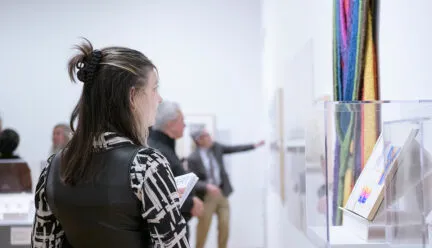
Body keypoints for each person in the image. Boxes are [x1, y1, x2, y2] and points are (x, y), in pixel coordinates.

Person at [31, 39, 190, 248]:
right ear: (132, 96)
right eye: (154, 89)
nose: (159, 99)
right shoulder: (147, 165)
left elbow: (42, 244)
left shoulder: (52, 168)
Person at [187, 126, 265, 248]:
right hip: (206, 197)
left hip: (222, 193)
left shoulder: (216, 148)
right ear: (199, 140)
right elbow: (193, 180)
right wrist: (207, 186)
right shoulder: (193, 158)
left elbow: (234, 149)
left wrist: (254, 146)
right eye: (206, 136)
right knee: (204, 227)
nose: (210, 138)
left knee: (224, 225)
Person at [148, 101, 204, 239]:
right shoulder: (158, 151)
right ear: (170, 123)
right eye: (181, 120)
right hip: (168, 233)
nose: (185, 125)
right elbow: (160, 195)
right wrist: (190, 203)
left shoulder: (164, 147)